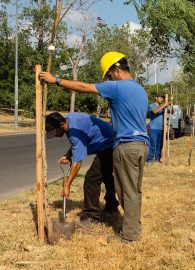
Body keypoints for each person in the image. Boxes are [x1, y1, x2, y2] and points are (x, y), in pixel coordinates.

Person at [39, 51, 149, 244]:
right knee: (134, 190)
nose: (108, 80)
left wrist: (55, 80)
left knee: (126, 191)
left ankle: (130, 236)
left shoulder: (118, 87)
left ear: (116, 71)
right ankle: (133, 228)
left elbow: (82, 87)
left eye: (108, 75)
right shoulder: (140, 90)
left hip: (126, 145)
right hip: (141, 145)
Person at [45, 112, 119, 227]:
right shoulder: (70, 120)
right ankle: (112, 207)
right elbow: (79, 142)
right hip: (110, 140)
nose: (54, 135)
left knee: (92, 179)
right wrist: (68, 155)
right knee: (107, 176)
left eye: (54, 132)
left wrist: (67, 185)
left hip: (108, 144)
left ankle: (92, 216)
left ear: (61, 124)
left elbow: (77, 163)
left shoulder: (74, 132)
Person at [148, 92, 169, 162]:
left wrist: (169, 105)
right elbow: (154, 112)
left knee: (160, 145)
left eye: (162, 98)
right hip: (154, 129)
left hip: (161, 129)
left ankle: (157, 159)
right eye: (160, 98)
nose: (161, 99)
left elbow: (171, 112)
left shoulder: (163, 107)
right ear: (156, 98)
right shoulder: (152, 105)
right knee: (152, 144)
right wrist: (163, 106)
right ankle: (150, 159)